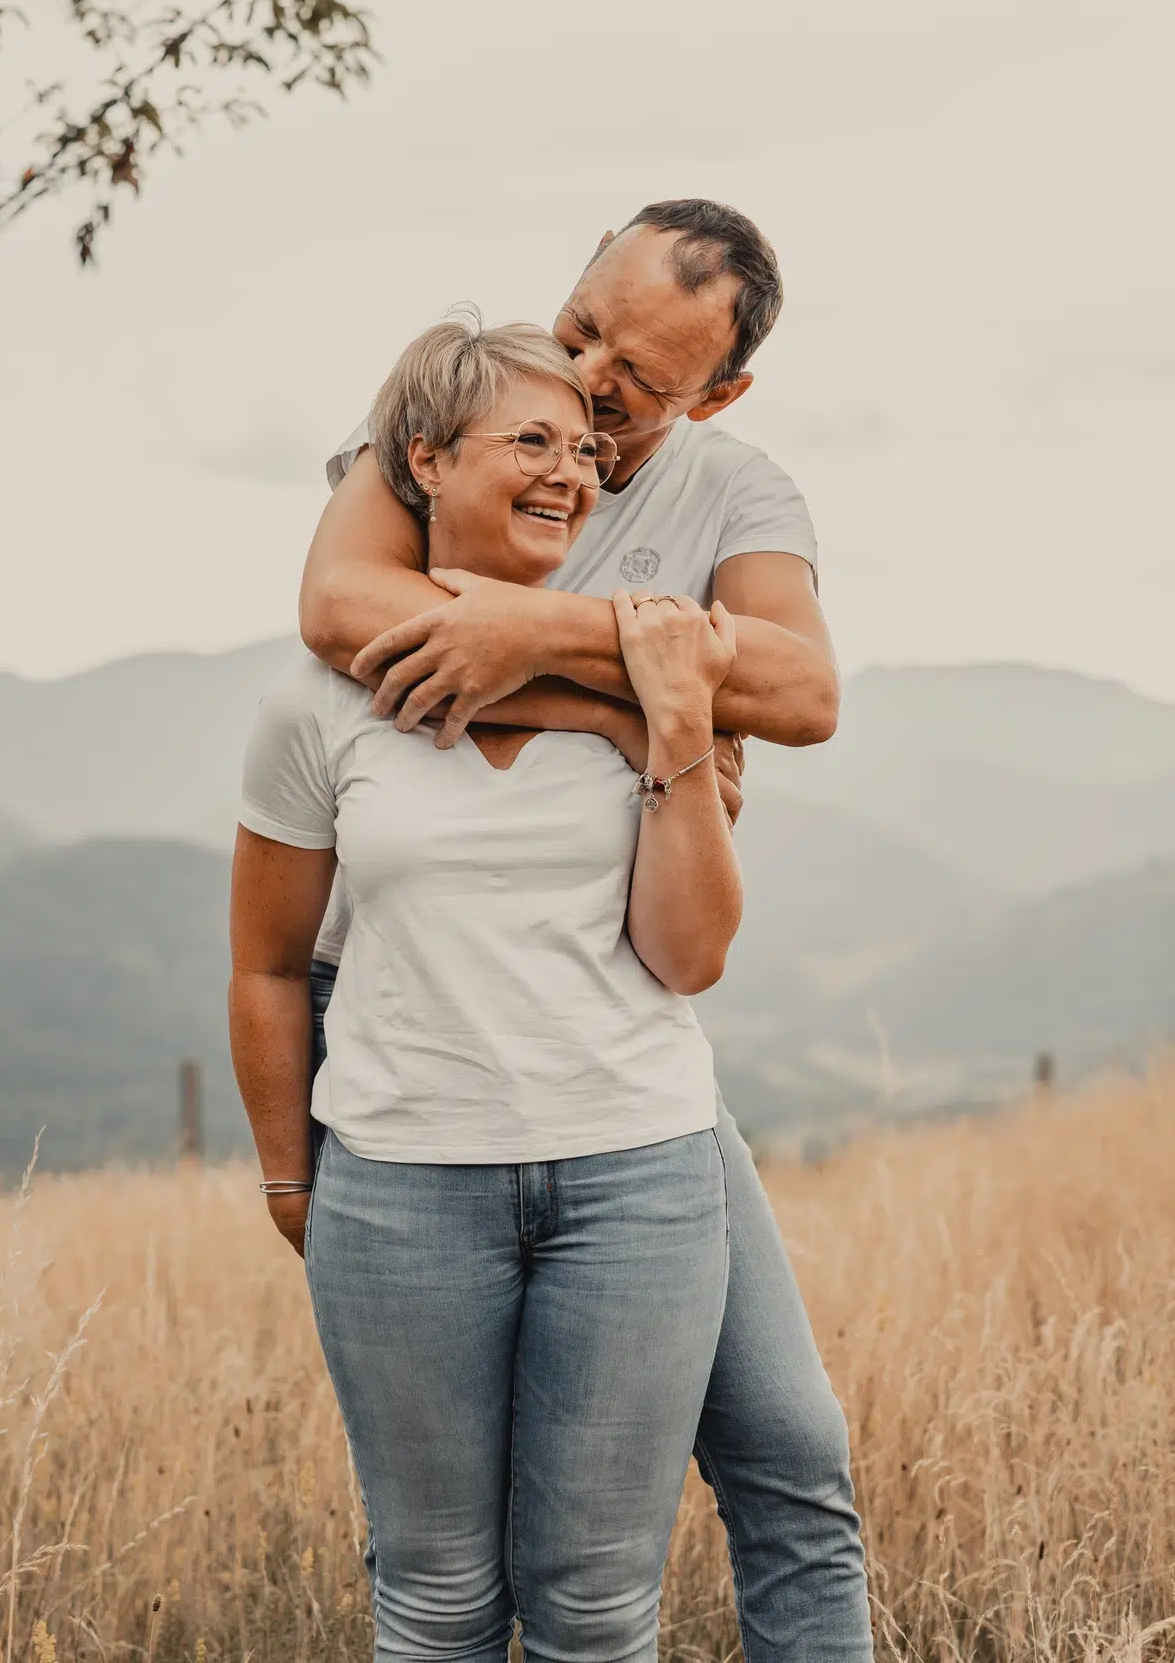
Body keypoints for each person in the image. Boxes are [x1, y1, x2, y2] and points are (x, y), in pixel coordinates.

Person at [298, 201, 875, 1663]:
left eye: (635, 378)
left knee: (794, 1458)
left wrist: (532, 636)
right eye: (581, 323)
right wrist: (637, 695)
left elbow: (804, 697)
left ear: (717, 396)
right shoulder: (468, 419)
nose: (588, 376)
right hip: (428, 1044)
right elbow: (338, 605)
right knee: (444, 1569)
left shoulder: (737, 493)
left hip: (625, 1058)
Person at [231, 316, 744, 1663]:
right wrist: (293, 1179)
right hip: (402, 1190)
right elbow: (268, 963)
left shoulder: (647, 668)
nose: (570, 473)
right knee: (437, 1594)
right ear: (422, 459)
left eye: (585, 451)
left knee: (593, 1601)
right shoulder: (316, 704)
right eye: (532, 441)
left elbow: (690, 957)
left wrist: (678, 724)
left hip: (639, 1178)